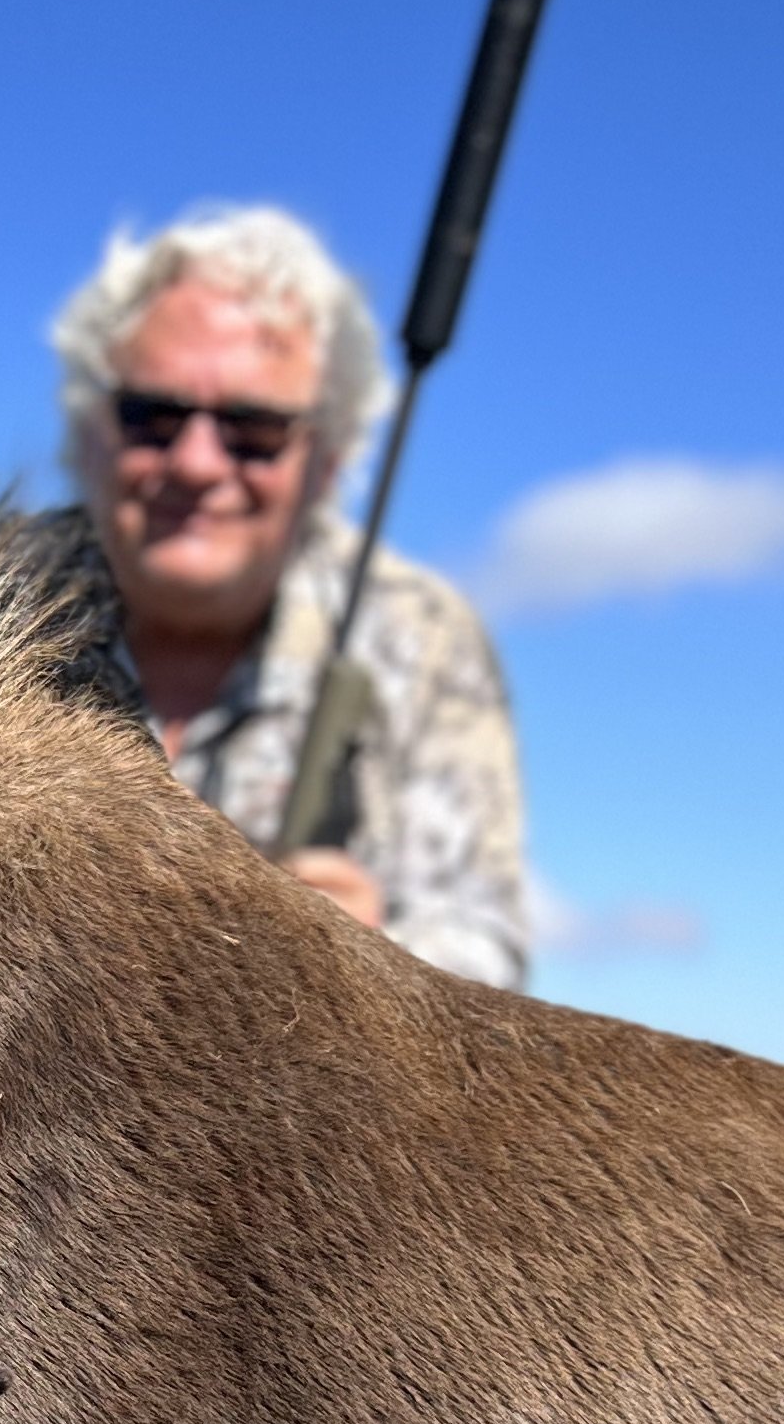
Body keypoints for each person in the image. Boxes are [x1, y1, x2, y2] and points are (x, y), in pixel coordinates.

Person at [47, 204, 542, 989]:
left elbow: (489, 949)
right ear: (87, 430)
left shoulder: (424, 634)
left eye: (255, 430)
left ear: (329, 463)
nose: (198, 464)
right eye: (154, 416)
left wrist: (378, 956)